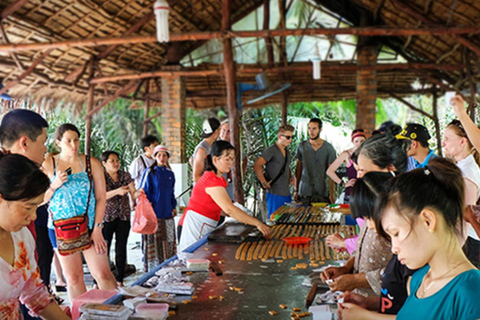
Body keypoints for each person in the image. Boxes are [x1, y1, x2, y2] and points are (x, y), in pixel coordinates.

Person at [339, 158, 480, 320]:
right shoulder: (419, 280)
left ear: (428, 220)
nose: (394, 248)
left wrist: (365, 317)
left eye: (396, 233)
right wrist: (369, 304)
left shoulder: (471, 292)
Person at [42, 124, 117, 301]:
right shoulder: (49, 163)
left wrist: (98, 228)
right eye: (68, 141)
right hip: (61, 229)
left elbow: (101, 198)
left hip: (90, 226)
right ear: (59, 142)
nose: (74, 144)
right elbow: (40, 200)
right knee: (74, 279)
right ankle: (81, 314)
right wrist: (54, 185)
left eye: (76, 140)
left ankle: (117, 312)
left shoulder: (92, 163)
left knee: (103, 274)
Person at [0, 152, 70, 320]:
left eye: (36, 207)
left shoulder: (22, 237)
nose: (33, 217)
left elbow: (36, 295)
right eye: (28, 207)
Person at [326, 128, 408, 253]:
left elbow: (384, 247)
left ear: (390, 167)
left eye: (362, 170)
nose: (359, 176)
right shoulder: (373, 193)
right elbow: (367, 237)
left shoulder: (396, 202)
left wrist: (345, 243)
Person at [179, 141, 272, 251]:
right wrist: (257, 223)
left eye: (232, 159)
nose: (231, 163)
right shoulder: (211, 180)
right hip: (195, 227)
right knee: (194, 259)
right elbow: (229, 209)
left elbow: (223, 208)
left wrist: (243, 216)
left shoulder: (219, 179)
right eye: (227, 159)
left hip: (206, 225)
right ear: (215, 159)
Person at [321, 173, 392, 297]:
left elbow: (400, 273)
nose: (368, 225)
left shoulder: (395, 233)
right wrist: (345, 269)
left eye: (362, 169)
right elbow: (360, 251)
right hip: (362, 301)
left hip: (381, 304)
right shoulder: (370, 221)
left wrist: (357, 280)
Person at [442, 119, 480, 267]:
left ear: (463, 142)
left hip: (466, 242)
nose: (444, 143)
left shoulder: (468, 172)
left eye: (448, 139)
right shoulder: (461, 167)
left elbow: (466, 216)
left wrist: (454, 249)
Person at [101, 151, 140, 286]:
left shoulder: (125, 175)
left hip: (123, 215)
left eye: (117, 160)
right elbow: (100, 196)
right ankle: (99, 279)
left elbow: (133, 193)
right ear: (104, 163)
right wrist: (117, 191)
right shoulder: (100, 176)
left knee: (121, 247)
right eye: (112, 161)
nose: (116, 163)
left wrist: (138, 193)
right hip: (106, 217)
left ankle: (120, 279)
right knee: (104, 248)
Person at [139, 145, 177, 271]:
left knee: (168, 240)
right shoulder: (149, 172)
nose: (162, 157)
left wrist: (173, 206)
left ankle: (168, 267)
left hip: (167, 213)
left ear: (167, 157)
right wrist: (148, 211)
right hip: (153, 214)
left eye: (164, 155)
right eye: (159, 155)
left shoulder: (170, 174)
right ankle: (153, 270)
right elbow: (143, 192)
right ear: (154, 157)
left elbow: (171, 192)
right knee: (153, 243)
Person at [254, 124, 295, 217]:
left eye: (292, 137)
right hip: (275, 193)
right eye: (288, 137)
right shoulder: (271, 150)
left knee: (285, 221)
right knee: (275, 220)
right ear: (280, 137)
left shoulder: (287, 151)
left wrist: (290, 177)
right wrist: (264, 182)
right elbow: (257, 165)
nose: (291, 140)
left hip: (286, 192)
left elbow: (286, 167)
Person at [294, 118, 336, 205]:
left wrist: (331, 194)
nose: (311, 131)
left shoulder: (328, 148)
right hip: (304, 192)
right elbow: (298, 169)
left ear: (320, 130)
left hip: (321, 192)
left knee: (319, 218)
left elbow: (331, 172)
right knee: (303, 217)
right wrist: (296, 190)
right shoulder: (302, 146)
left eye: (314, 128)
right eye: (309, 128)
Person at [326, 128, 366, 203]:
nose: (359, 144)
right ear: (352, 141)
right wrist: (343, 184)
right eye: (356, 141)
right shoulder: (346, 154)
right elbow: (329, 171)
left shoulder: (368, 154)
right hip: (351, 194)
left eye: (362, 141)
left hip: (365, 194)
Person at [192, 117, 221, 183]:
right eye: (220, 130)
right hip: (203, 189)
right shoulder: (202, 150)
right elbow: (196, 177)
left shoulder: (212, 146)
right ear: (216, 132)